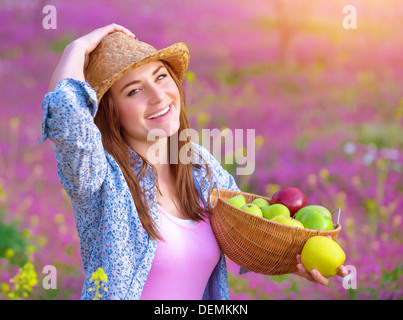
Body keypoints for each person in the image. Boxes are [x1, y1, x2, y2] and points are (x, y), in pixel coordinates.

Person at [40, 24, 347, 300]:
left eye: (161, 77)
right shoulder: (100, 180)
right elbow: (68, 117)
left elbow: (246, 234)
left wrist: (293, 258)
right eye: (134, 91)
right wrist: (76, 49)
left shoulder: (201, 166)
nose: (158, 96)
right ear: (110, 112)